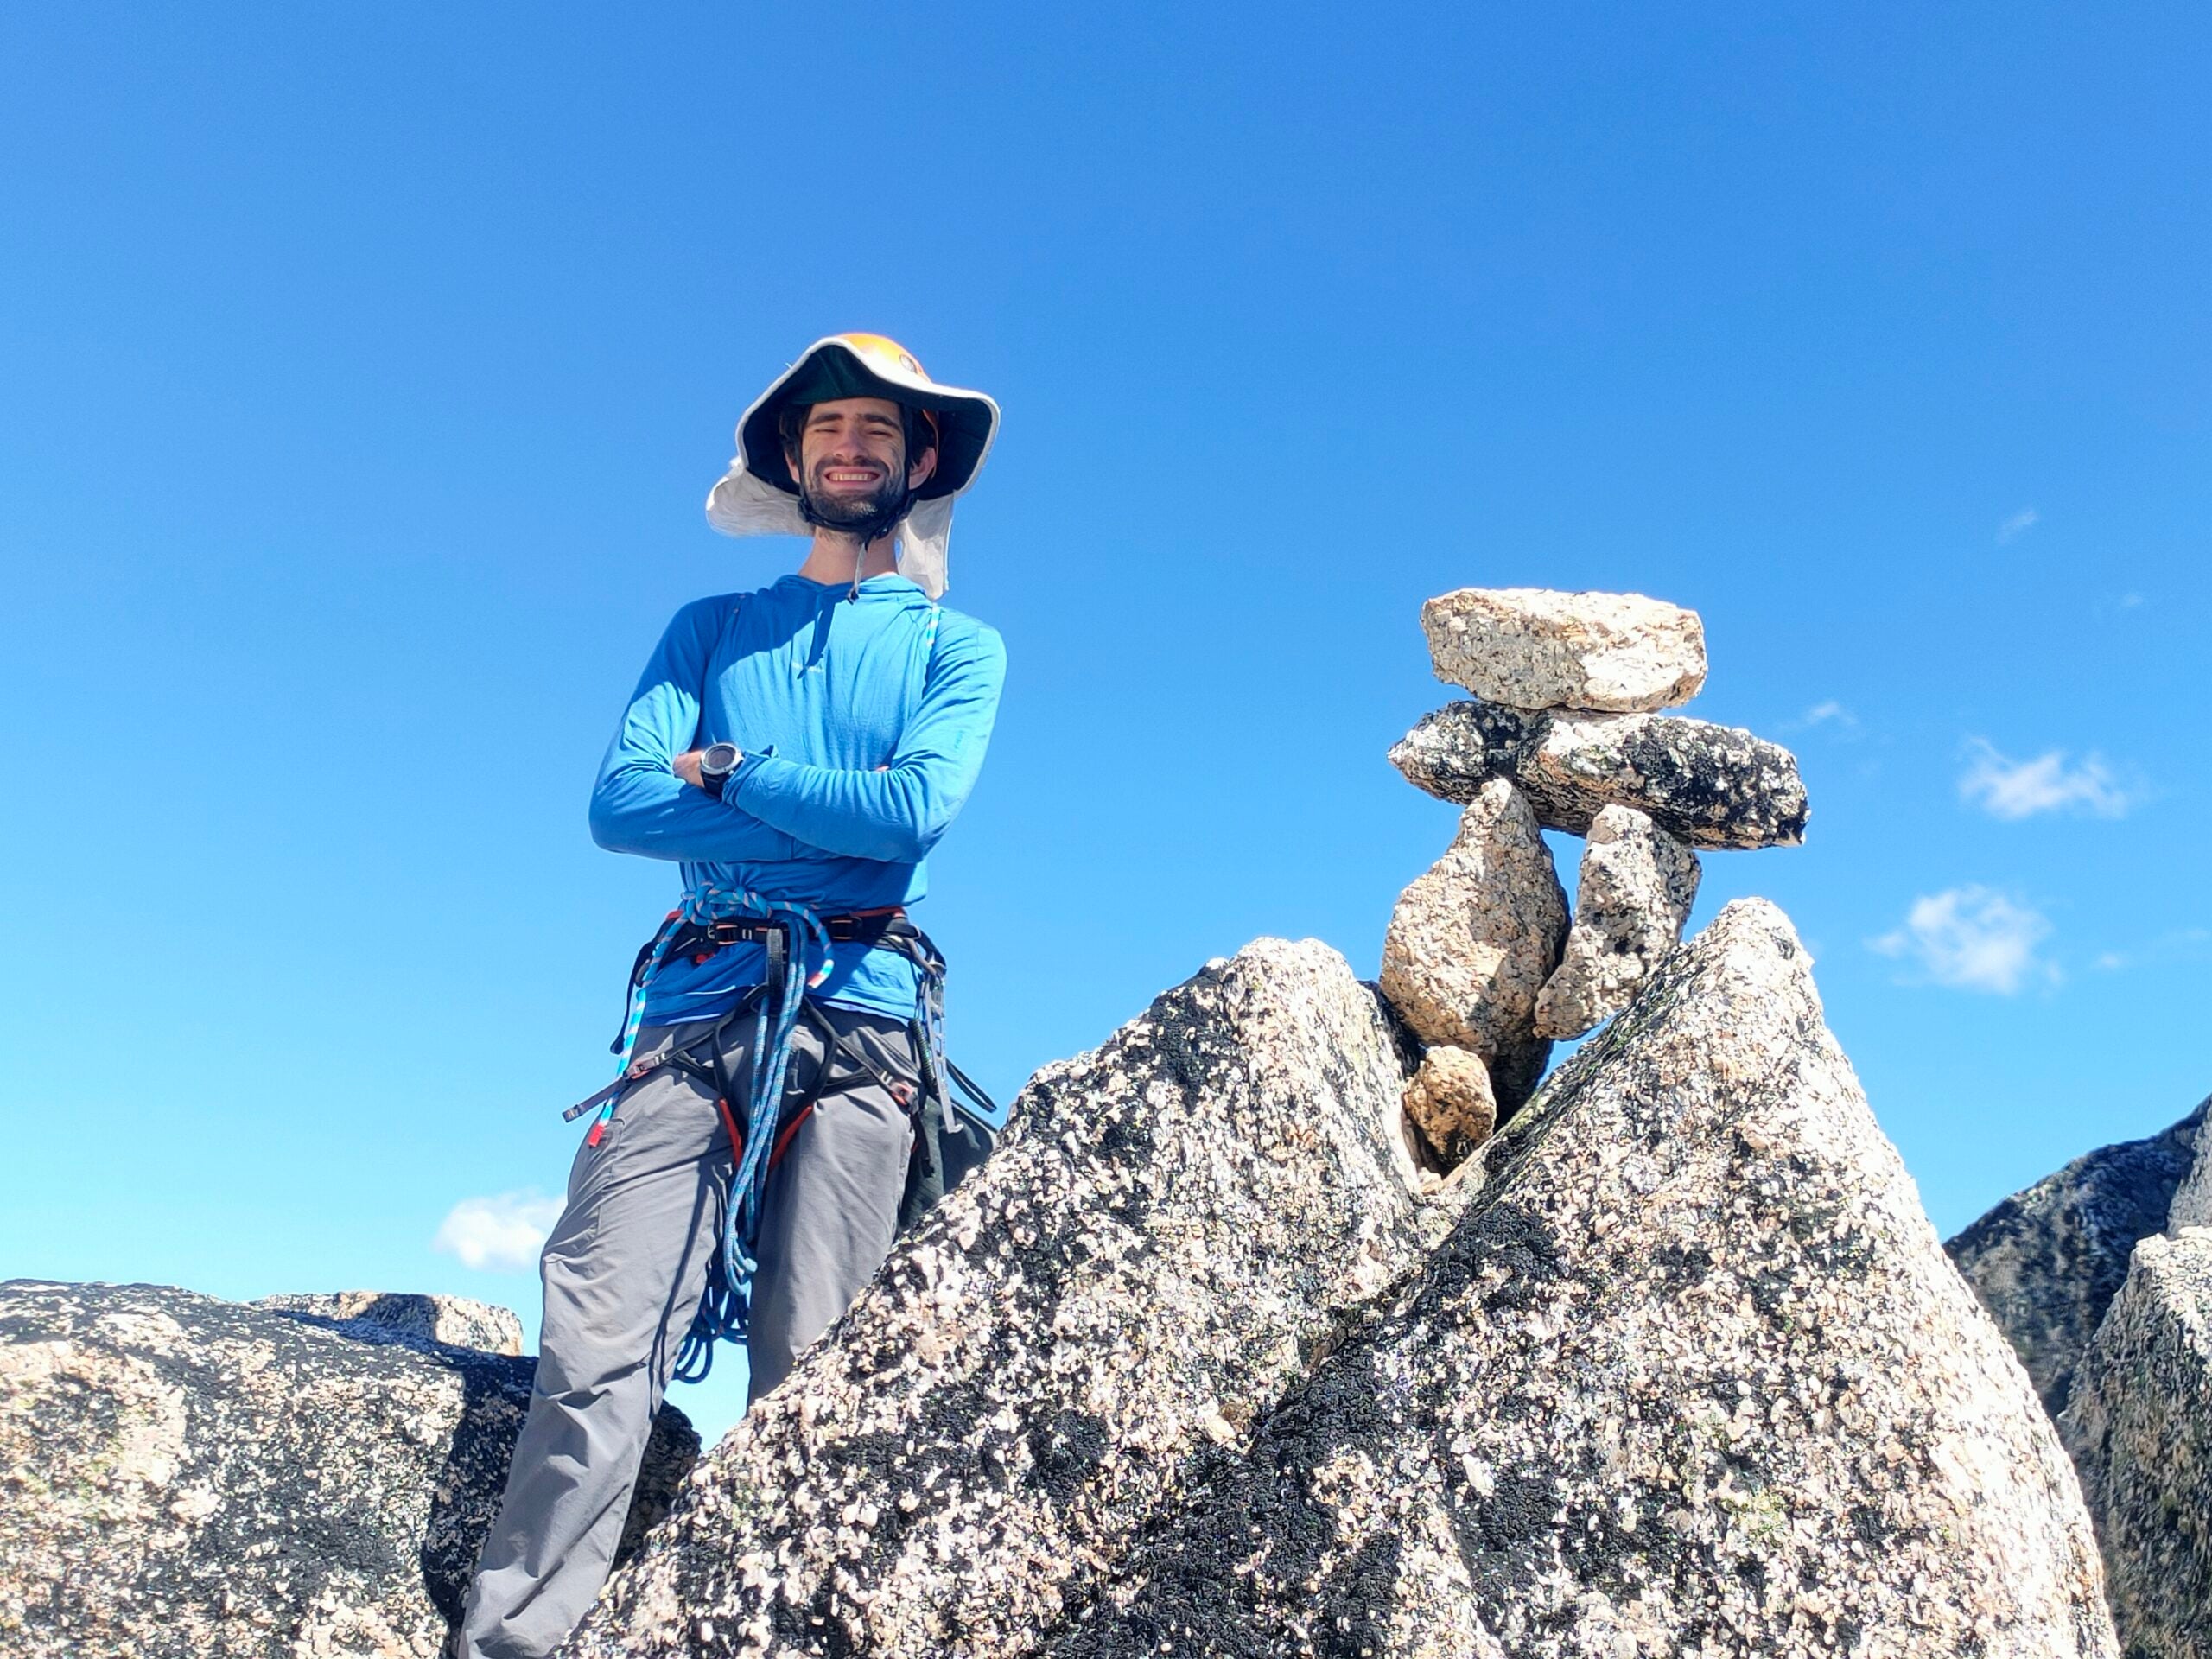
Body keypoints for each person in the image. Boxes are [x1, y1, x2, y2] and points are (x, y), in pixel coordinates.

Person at [454, 334, 1007, 1659]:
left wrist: (728, 770)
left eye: (878, 427)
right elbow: (618, 809)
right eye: (827, 428)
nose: (850, 445)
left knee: (815, 1374)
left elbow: (907, 820)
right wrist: (781, 810)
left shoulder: (960, 648)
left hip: (862, 1017)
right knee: (597, 1351)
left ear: (918, 459)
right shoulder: (706, 628)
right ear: (793, 459)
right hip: (699, 1016)